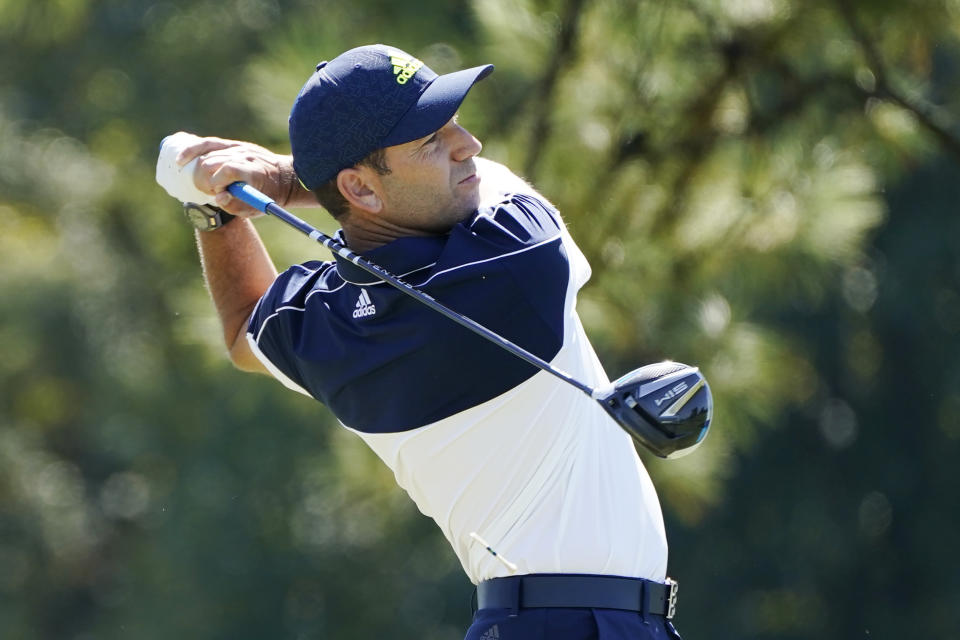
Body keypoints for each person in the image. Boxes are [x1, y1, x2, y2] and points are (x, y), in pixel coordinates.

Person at [167, 44, 684, 640]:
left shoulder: (335, 326)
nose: (469, 145)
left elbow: (243, 328)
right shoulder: (517, 262)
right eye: (431, 141)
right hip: (580, 624)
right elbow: (490, 183)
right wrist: (281, 181)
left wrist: (212, 208)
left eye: (453, 124)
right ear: (360, 190)